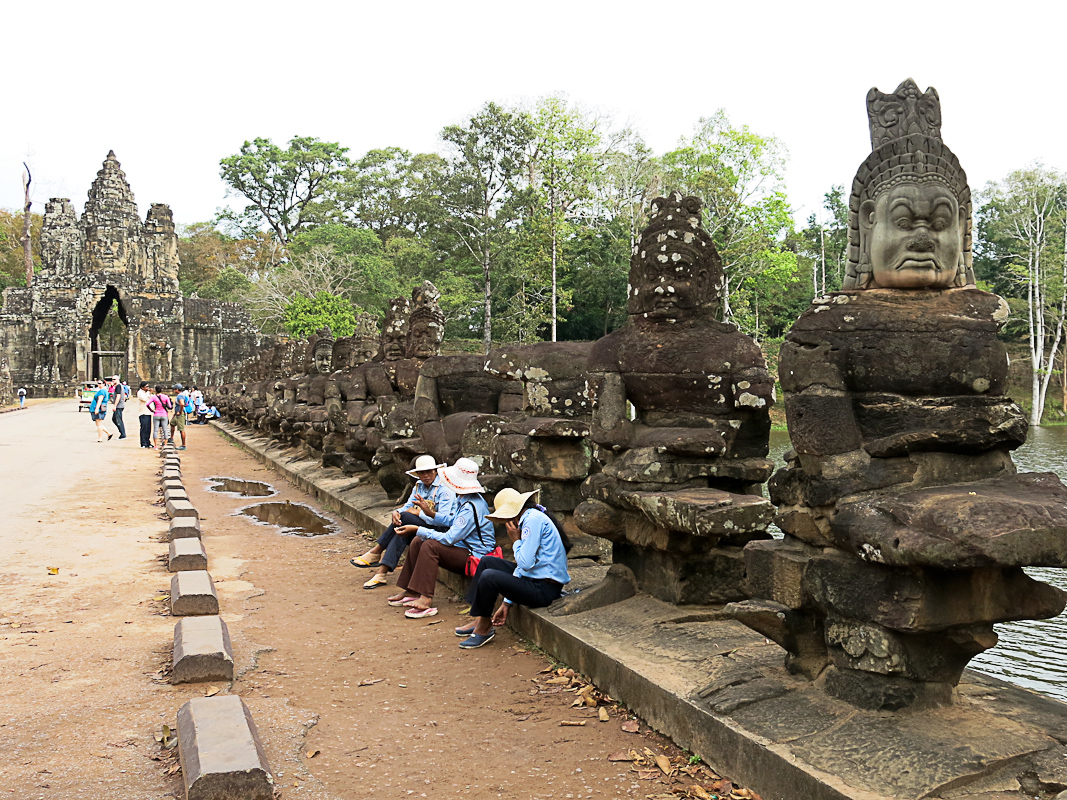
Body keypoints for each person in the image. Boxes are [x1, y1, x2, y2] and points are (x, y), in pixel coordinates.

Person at [457, 488, 570, 649]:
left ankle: (484, 627)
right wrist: (507, 602)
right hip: (533, 578)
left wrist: (515, 541)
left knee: (489, 576)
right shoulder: (528, 518)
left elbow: (525, 563)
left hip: (544, 589)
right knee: (487, 562)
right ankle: (480, 617)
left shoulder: (532, 521)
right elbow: (524, 569)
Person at [386, 458, 495, 619]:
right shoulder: (464, 499)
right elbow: (452, 521)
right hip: (464, 548)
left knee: (430, 545)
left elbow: (450, 538)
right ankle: (411, 589)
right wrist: (429, 514)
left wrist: (418, 528)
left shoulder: (472, 505)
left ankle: (426, 598)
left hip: (476, 556)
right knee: (418, 541)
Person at [351, 454, 456, 589]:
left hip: (440, 529)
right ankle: (381, 573)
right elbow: (407, 507)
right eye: (422, 473)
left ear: (435, 471)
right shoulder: (419, 486)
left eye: (429, 472)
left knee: (405, 518)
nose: (426, 476)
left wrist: (418, 513)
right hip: (421, 525)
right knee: (401, 528)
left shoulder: (444, 489)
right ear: (417, 474)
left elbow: (443, 520)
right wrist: (397, 512)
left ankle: (377, 551)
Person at [147, 385, 173, 450]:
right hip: (164, 414)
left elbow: (147, 404)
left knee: (155, 430)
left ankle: (155, 446)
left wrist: (152, 410)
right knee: (165, 429)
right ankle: (165, 444)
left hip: (156, 414)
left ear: (155, 390)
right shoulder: (166, 396)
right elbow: (170, 406)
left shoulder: (153, 397)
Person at [171, 383, 191, 450]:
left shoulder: (180, 396)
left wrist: (180, 411)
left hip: (180, 414)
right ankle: (171, 438)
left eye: (174, 389)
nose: (173, 390)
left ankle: (184, 445)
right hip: (177, 414)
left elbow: (182, 404)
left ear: (177, 389)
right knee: (172, 423)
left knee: (181, 429)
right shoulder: (181, 395)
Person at [136, 381, 153, 448]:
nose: (148, 388)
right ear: (142, 387)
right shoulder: (140, 393)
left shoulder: (147, 393)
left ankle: (148, 442)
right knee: (144, 428)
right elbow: (145, 399)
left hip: (149, 412)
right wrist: (149, 393)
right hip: (143, 413)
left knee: (148, 429)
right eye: (146, 387)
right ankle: (143, 443)